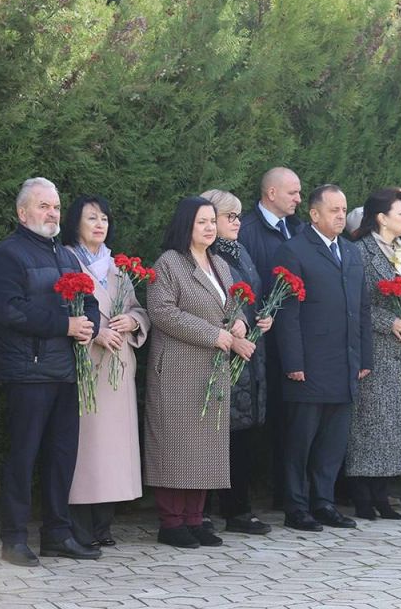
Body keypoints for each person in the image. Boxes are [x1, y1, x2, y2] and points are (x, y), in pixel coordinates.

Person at [0, 177, 101, 567]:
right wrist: (65, 325)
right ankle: (13, 539)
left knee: (61, 457)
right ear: (22, 213)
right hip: (28, 372)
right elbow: (10, 311)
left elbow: (89, 300)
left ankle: (57, 534)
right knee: (23, 457)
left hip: (65, 372)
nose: (52, 213)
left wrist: (90, 326)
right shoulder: (6, 255)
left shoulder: (66, 256)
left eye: (56, 207)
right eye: (43, 206)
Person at [144, 196, 246, 548]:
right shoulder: (169, 263)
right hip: (177, 368)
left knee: (205, 446)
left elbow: (232, 305)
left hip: (211, 370)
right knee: (176, 445)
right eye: (201, 221)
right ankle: (171, 522)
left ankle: (194, 518)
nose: (209, 228)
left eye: (211, 221)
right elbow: (162, 312)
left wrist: (240, 324)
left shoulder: (220, 264)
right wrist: (213, 334)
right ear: (185, 224)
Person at [272, 184, 372, 531]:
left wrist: (364, 358)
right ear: (314, 214)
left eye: (344, 210)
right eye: (333, 210)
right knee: (300, 442)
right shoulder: (294, 250)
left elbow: (362, 309)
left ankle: (324, 502)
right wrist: (293, 363)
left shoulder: (351, 252)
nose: (341, 216)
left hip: (344, 363)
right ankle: (296, 507)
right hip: (310, 366)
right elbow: (287, 313)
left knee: (332, 443)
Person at [62, 195, 150, 547]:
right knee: (88, 448)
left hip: (118, 368)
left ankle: (103, 525)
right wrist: (96, 330)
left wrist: (132, 320)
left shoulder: (118, 267)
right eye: (91, 218)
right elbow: (62, 307)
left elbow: (139, 310)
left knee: (113, 450)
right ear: (75, 223)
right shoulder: (66, 260)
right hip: (87, 365)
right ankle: (80, 526)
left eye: (104, 219)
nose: (100, 225)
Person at [200, 189, 274, 535]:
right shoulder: (204, 255)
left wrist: (263, 317)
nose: (237, 222)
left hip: (248, 354)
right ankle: (202, 510)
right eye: (229, 216)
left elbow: (250, 295)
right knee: (211, 434)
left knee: (241, 436)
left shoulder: (240, 251)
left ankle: (238, 510)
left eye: (238, 215)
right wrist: (233, 331)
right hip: (218, 354)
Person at [346, 188, 401, 520]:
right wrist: (389, 322)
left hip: (400, 350)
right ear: (381, 218)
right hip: (373, 347)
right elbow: (356, 302)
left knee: (392, 425)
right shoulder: (360, 251)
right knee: (368, 422)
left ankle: (383, 492)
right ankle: (362, 494)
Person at [238, 166, 304, 510]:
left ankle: (286, 492)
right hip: (256, 340)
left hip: (291, 342)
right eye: (293, 192)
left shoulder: (298, 229)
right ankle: (243, 497)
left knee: (289, 420)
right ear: (271, 193)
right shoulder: (247, 230)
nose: (299, 199)